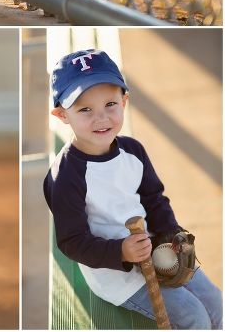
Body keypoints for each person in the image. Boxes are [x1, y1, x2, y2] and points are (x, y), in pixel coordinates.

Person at [43, 49, 222, 330]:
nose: (101, 118)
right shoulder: (65, 176)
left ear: (124, 101)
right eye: (85, 109)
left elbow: (154, 199)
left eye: (110, 104)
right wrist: (122, 252)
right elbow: (72, 242)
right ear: (62, 114)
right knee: (194, 318)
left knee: (216, 304)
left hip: (157, 250)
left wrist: (170, 235)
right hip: (116, 273)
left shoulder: (132, 151)